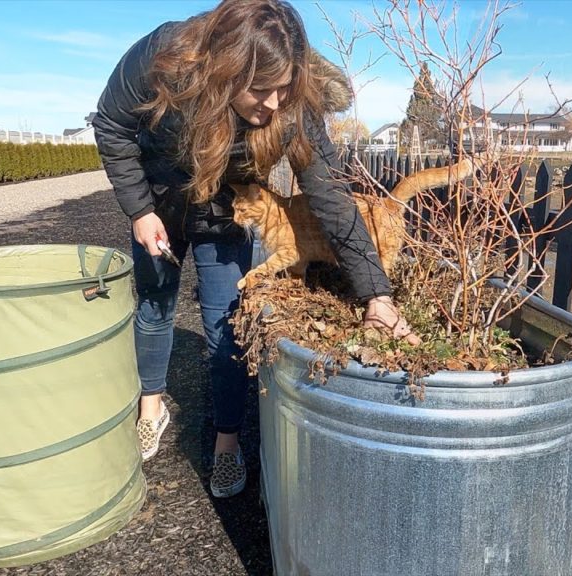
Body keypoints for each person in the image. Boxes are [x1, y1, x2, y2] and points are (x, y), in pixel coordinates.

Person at [93, 0, 418, 499]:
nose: (272, 103)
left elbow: (330, 197)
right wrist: (139, 211)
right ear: (227, 69)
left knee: (227, 319)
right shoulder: (164, 58)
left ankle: (227, 441)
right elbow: (112, 124)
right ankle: (151, 407)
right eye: (260, 88)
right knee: (155, 305)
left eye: (283, 88)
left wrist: (377, 295)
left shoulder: (293, 108)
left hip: (226, 208)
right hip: (159, 201)